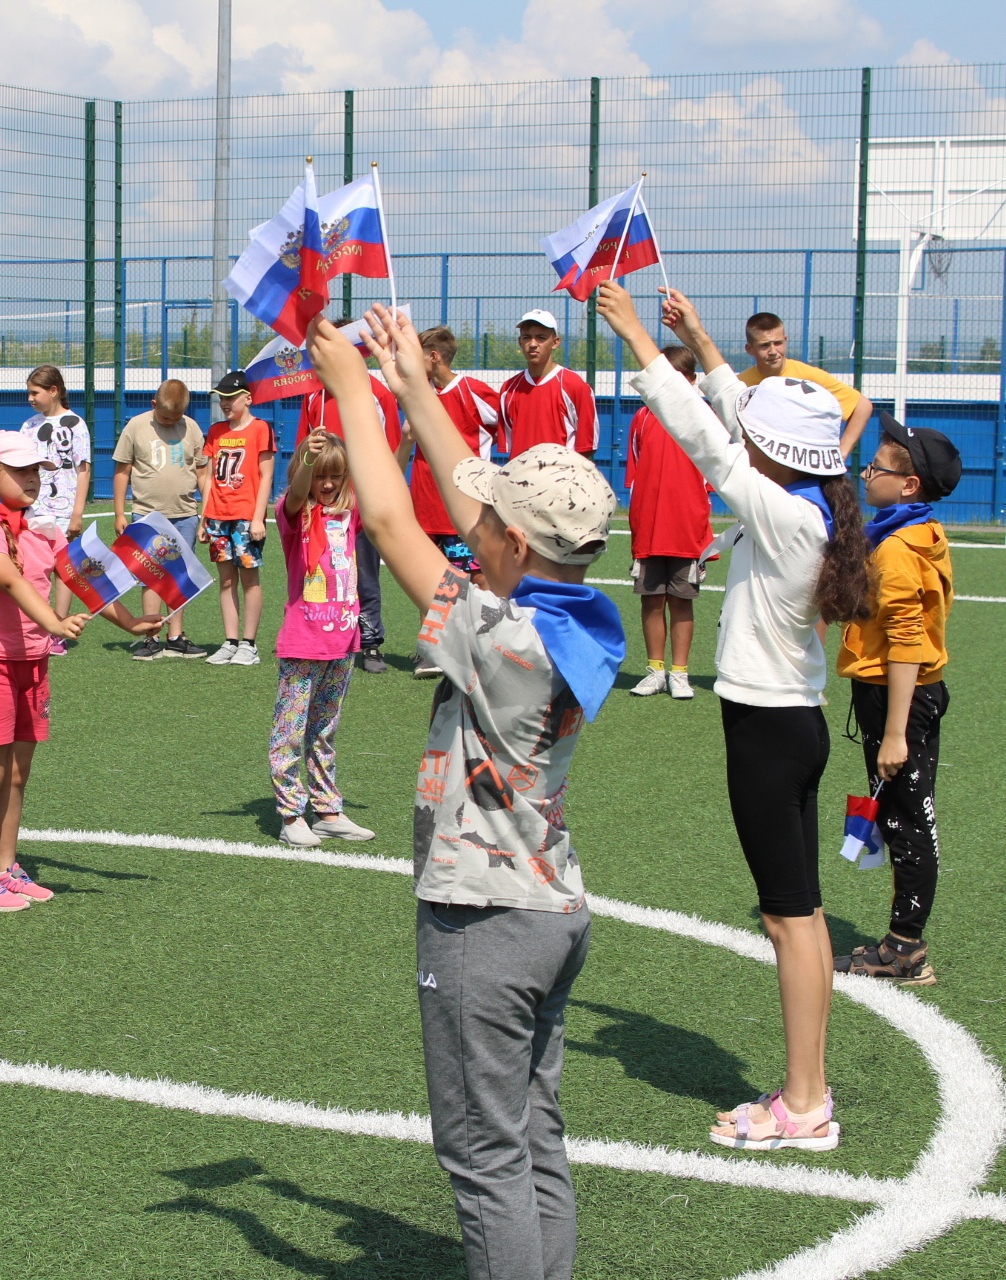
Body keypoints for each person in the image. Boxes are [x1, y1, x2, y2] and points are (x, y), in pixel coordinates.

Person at [311, 305, 621, 1280]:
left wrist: (351, 386)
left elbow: (394, 518)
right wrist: (411, 381)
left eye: (487, 524)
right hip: (551, 904)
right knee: (533, 1138)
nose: (471, 523)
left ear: (517, 549)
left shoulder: (500, 635)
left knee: (483, 1156)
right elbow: (464, 496)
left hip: (483, 917)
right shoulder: (570, 612)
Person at [599, 280, 870, 1153]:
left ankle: (801, 1105)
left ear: (779, 454)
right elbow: (742, 420)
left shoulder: (784, 513)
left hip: (767, 732)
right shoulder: (814, 502)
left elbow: (713, 444)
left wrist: (641, 338)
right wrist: (705, 341)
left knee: (786, 917)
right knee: (805, 914)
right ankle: (809, 1089)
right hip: (794, 727)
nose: (749, 431)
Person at [0, 432, 161, 911]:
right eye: (22, 472)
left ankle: (4, 869)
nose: (33, 480)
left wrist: (130, 621)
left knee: (17, 775)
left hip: (32, 665)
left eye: (37, 472)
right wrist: (54, 622)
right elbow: (9, 581)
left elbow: (81, 577)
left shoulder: (35, 531)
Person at [834, 413, 961, 987]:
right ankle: (902, 940)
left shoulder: (899, 549)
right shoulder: (915, 529)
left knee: (911, 820)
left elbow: (908, 640)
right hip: (894, 695)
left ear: (909, 485)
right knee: (901, 813)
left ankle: (905, 948)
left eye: (877, 467)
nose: (868, 472)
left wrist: (895, 733)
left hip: (899, 698)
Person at [269, 422, 377, 848]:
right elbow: (296, 494)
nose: (327, 484)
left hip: (342, 642)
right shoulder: (293, 515)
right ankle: (290, 813)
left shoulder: (349, 517)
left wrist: (403, 442)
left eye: (335, 475)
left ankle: (327, 810)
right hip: (302, 642)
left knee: (325, 730)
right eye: (320, 475)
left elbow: (382, 495)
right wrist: (308, 460)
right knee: (290, 731)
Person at [301, 352, 404, 674]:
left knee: (366, 578)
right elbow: (303, 451)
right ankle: (326, 639)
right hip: (323, 507)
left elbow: (393, 450)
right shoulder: (314, 395)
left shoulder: (379, 394)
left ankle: (370, 642)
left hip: (363, 506)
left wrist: (381, 499)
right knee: (322, 577)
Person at [409, 327, 501, 678]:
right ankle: (433, 650)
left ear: (433, 356)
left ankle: (484, 647)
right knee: (429, 580)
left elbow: (507, 424)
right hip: (425, 504)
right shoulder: (418, 395)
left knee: (477, 579)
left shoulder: (474, 392)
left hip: (465, 506)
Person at [625, 345, 713, 700]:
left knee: (681, 601)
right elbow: (633, 478)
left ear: (691, 381)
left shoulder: (704, 418)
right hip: (648, 530)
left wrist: (701, 530)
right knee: (650, 601)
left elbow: (713, 477)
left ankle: (680, 672)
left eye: (678, 379)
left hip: (686, 532)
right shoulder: (642, 418)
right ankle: (655, 670)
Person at [112, 378, 208, 660]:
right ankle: (151, 635)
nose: (170, 422)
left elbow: (202, 473)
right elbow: (122, 471)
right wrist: (120, 512)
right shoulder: (136, 427)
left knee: (179, 577)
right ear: (153, 405)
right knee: (150, 577)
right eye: (165, 417)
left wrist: (207, 513)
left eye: (176, 417)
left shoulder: (191, 427)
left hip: (185, 514)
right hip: (147, 515)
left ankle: (176, 636)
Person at [201, 370, 276, 667]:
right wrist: (203, 518)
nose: (225, 403)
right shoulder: (216, 431)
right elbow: (208, 478)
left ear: (247, 398)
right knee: (225, 580)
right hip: (217, 516)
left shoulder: (260, 429)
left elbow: (267, 475)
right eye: (221, 398)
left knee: (249, 579)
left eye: (230, 397)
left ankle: (249, 643)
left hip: (246, 517)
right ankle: (230, 641)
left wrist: (258, 519)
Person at [22, 364, 92, 652]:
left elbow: (83, 469)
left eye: (34, 392)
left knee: (63, 570)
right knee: (34, 568)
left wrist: (77, 513)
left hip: (63, 511)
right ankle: (36, 626)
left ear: (54, 391)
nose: (30, 398)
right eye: (28, 392)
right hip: (33, 509)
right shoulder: (29, 425)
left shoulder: (75, 423)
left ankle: (58, 630)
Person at [738, 311, 873, 459]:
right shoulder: (740, 385)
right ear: (749, 349)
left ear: (785, 340)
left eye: (778, 343)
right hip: (759, 469)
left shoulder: (808, 376)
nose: (773, 351)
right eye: (764, 345)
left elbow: (862, 406)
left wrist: (841, 453)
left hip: (802, 469)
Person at [498, 309, 597, 459]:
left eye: (540, 338)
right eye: (527, 337)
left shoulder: (574, 386)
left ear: (555, 342)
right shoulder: (508, 389)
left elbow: (586, 446)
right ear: (520, 342)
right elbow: (511, 443)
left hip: (561, 479)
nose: (532, 344)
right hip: (519, 479)